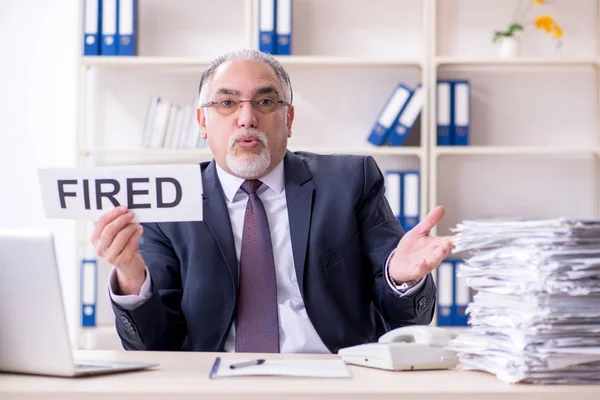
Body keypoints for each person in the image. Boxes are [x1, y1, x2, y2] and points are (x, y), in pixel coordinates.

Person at [91, 48, 455, 354]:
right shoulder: (169, 201)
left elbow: (406, 320)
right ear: (202, 122)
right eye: (227, 103)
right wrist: (130, 276)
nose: (246, 118)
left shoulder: (349, 182)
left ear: (288, 118)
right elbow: (156, 345)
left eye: (265, 101)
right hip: (215, 383)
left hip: (335, 376)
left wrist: (400, 279)